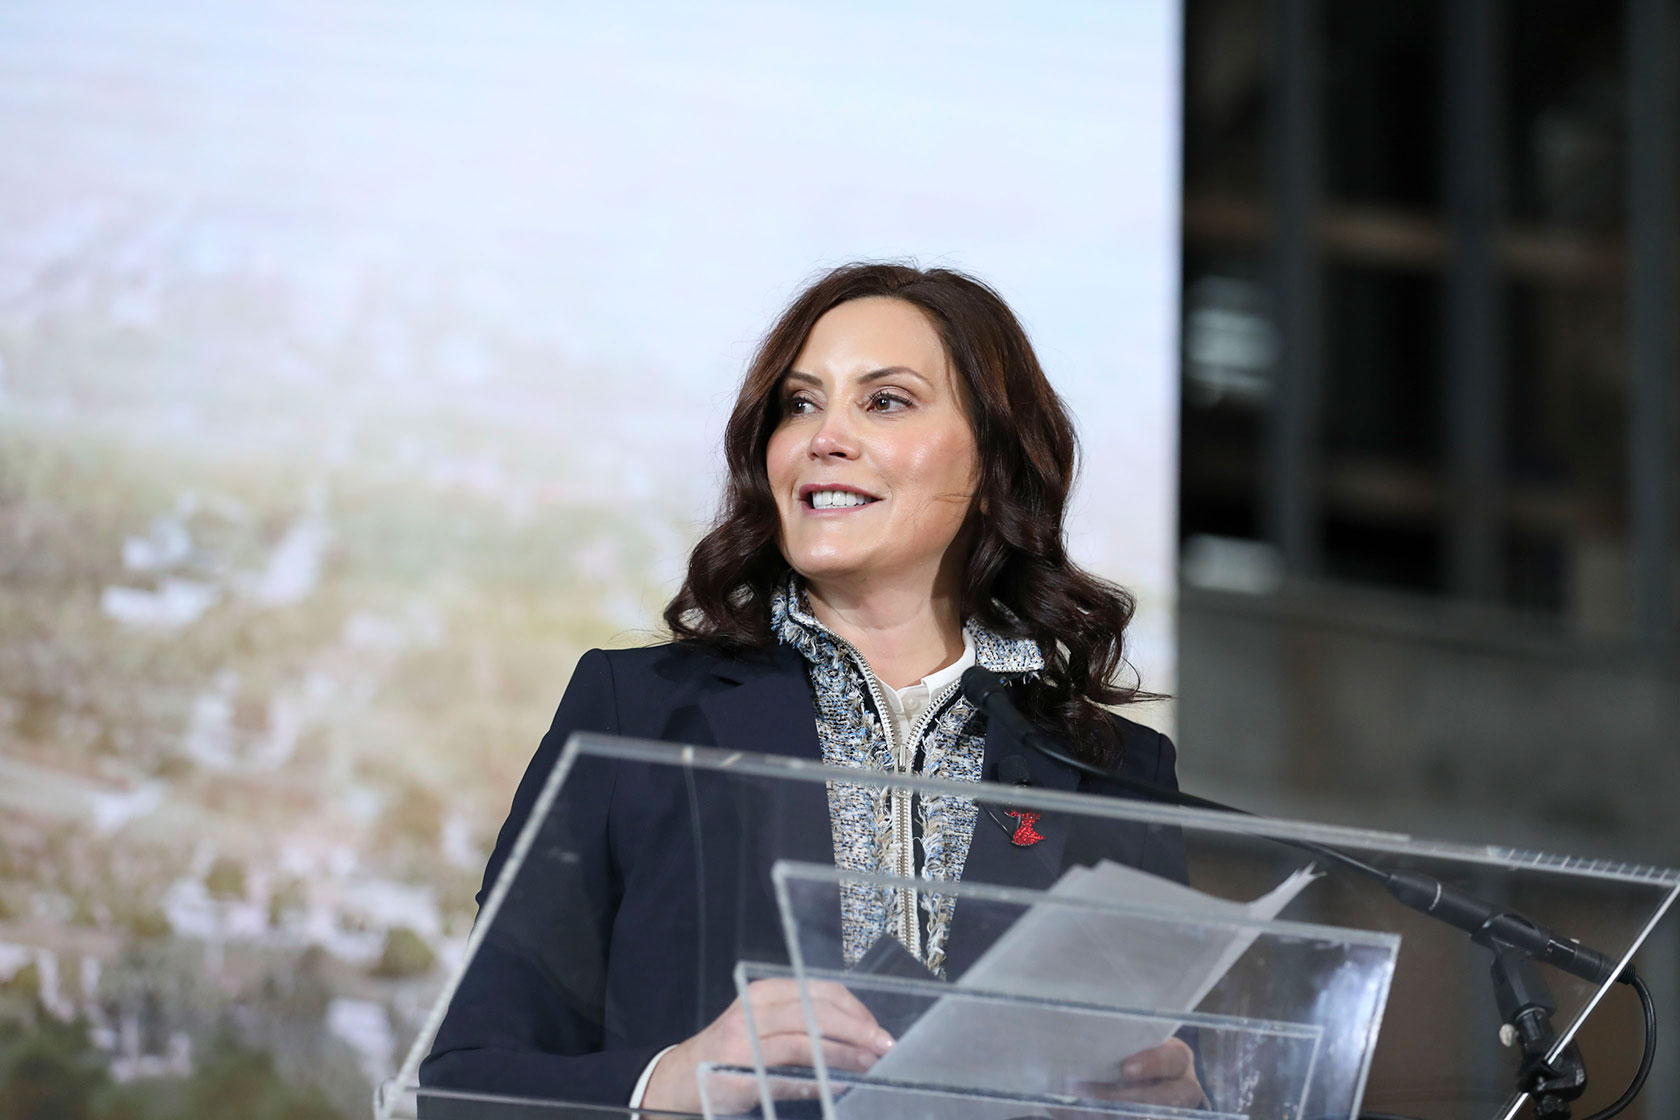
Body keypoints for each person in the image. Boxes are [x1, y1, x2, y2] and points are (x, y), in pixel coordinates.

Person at [422, 263, 1205, 1115]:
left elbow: (1173, 1068)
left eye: (886, 401)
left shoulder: (1112, 772)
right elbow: (465, 1084)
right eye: (799, 404)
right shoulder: (637, 712)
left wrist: (1183, 1103)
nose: (824, 437)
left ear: (994, 463)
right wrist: (675, 1082)